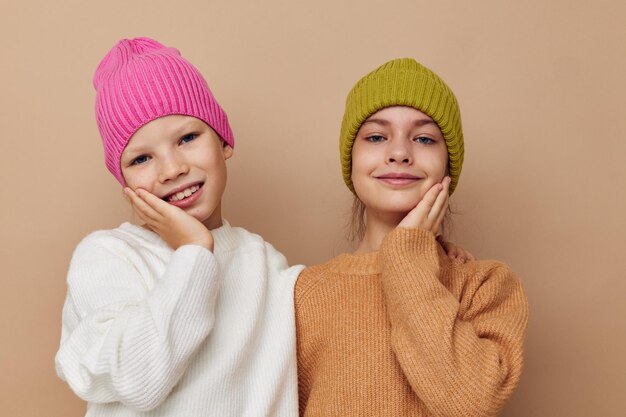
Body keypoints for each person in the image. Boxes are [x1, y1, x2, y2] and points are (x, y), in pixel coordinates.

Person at [55, 37, 305, 417]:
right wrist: (193, 253)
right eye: (141, 159)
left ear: (224, 141)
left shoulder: (266, 264)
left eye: (188, 138)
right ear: (124, 184)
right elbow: (139, 380)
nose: (172, 170)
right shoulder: (108, 256)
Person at [295, 58, 529, 416]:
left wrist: (407, 257)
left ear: (448, 166)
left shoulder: (485, 285)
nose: (400, 153)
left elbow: (470, 404)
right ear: (351, 161)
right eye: (376, 136)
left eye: (423, 138)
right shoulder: (304, 292)